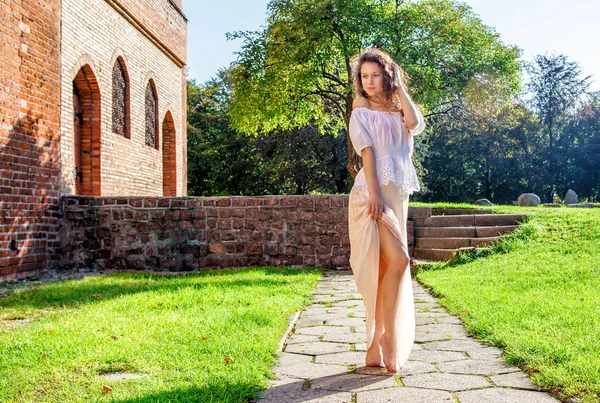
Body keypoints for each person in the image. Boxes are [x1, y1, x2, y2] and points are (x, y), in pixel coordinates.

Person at [347, 48, 426, 373]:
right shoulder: (360, 109)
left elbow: (416, 123)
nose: (368, 82)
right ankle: (388, 338)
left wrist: (399, 88)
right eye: (364, 76)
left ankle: (377, 339)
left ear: (387, 75)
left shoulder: (397, 108)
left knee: (387, 267)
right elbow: (367, 153)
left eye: (375, 75)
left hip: (397, 193)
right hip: (372, 193)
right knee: (399, 260)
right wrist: (376, 195)